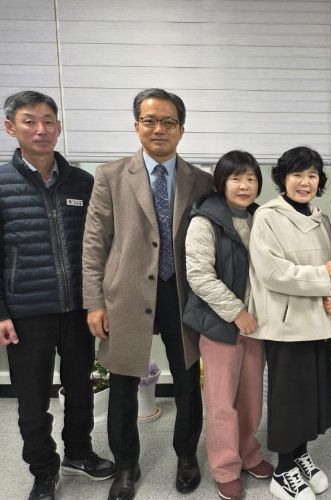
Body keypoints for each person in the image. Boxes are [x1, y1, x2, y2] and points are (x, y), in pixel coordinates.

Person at [82, 88, 213, 500]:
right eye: (150, 120)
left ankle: (187, 456)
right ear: (136, 125)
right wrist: (94, 302)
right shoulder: (111, 175)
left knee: (188, 379)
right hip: (126, 293)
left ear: (181, 129)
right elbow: (94, 243)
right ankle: (126, 465)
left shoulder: (202, 181)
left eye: (169, 121)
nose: (159, 129)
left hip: (181, 294)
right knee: (123, 382)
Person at [0, 90, 115, 500]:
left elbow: (99, 246)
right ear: (10, 127)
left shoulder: (82, 182)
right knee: (32, 401)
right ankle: (43, 470)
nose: (41, 129)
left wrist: (99, 300)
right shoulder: (2, 183)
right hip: (26, 311)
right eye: (30, 121)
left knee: (81, 387)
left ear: (59, 127)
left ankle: (79, 453)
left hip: (78, 308)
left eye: (49, 121)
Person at [248, 146, 331, 500]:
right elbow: (272, 272)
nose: (305, 182)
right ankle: (283, 470)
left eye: (312, 175)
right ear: (282, 179)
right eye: (297, 174)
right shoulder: (268, 216)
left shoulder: (321, 219)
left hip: (317, 321)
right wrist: (322, 277)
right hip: (286, 324)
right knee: (288, 398)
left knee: (311, 396)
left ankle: (300, 455)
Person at [184, 150, 273, 500]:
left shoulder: (261, 218)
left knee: (251, 396)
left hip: (256, 325)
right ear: (221, 182)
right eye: (236, 178)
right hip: (221, 324)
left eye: (251, 178)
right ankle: (224, 467)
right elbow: (199, 276)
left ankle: (249, 454)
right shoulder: (205, 220)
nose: (244, 185)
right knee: (221, 401)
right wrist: (237, 312)